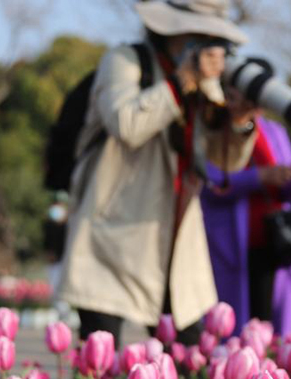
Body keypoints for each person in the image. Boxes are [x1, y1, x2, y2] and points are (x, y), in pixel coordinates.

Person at [57, 0, 247, 348]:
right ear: (168, 29)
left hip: (176, 236)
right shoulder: (124, 61)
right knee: (100, 359)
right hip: (111, 235)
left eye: (210, 37)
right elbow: (126, 124)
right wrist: (181, 81)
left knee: (187, 361)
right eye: (196, 34)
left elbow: (227, 162)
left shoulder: (206, 82)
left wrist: (239, 121)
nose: (205, 45)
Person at [200, 75, 291, 336]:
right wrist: (258, 176)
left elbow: (288, 193)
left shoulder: (275, 132)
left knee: (268, 327)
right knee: (234, 328)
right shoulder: (216, 130)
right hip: (230, 243)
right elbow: (211, 183)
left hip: (273, 241)